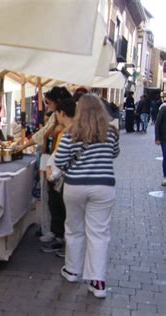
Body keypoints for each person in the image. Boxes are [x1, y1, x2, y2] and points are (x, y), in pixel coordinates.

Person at [54, 94, 119, 299]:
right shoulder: (111, 132)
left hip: (75, 187)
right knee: (99, 234)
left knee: (74, 229)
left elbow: (61, 160)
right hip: (103, 187)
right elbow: (115, 154)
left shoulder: (70, 133)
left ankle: (73, 271)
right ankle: (98, 281)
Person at [14, 87, 72, 242]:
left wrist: (49, 167)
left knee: (57, 199)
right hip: (57, 164)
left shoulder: (66, 125)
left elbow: (45, 136)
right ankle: (57, 232)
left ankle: (60, 236)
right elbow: (43, 134)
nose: (47, 106)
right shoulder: (56, 118)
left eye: (48, 102)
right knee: (54, 199)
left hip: (59, 167)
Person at [41, 97, 77, 257]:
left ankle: (68, 251)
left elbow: (60, 159)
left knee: (66, 214)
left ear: (62, 113)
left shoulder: (69, 133)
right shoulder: (73, 130)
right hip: (80, 182)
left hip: (66, 180)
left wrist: (50, 171)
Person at [155, 100, 166, 186]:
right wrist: (157, 138)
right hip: (164, 138)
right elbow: (157, 124)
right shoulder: (163, 109)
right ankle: (165, 177)